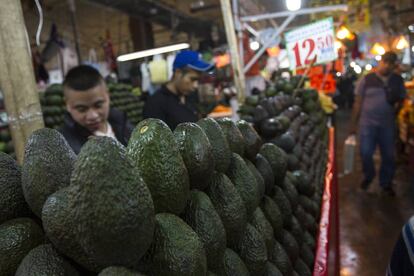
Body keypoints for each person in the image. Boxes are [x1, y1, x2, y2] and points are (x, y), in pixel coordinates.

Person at [349, 52, 406, 196]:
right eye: (385, 61)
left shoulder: (397, 81)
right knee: (366, 152)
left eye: (390, 63)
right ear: (380, 62)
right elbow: (358, 102)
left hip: (387, 125)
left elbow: (402, 99)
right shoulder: (367, 79)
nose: (387, 65)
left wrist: (395, 112)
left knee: (389, 155)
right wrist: (353, 124)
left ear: (394, 65)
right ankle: (369, 176)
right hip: (367, 124)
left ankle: (385, 183)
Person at [59, 65, 134, 154]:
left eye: (98, 105)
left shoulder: (124, 125)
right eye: (82, 109)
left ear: (108, 95)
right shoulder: (64, 147)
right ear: (67, 104)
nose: (92, 116)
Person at [143, 50, 214, 130]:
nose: (196, 85)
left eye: (198, 81)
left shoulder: (189, 97)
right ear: (178, 73)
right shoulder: (156, 104)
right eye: (192, 79)